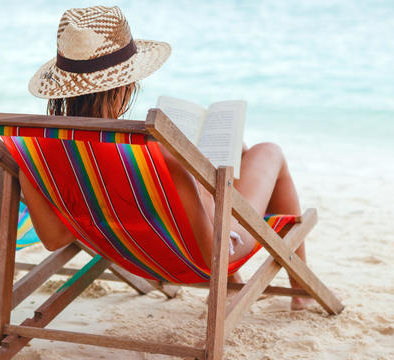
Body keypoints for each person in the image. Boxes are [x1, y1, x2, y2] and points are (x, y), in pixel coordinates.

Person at [22, 6, 313, 310]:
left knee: (238, 149)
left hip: (131, 251)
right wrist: (195, 175)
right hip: (202, 258)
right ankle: (300, 291)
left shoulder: (35, 153)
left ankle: (240, 285)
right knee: (269, 151)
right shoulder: (155, 154)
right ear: (126, 85)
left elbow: (54, 239)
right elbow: (210, 253)